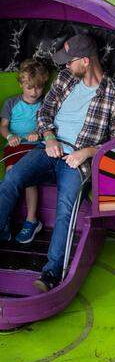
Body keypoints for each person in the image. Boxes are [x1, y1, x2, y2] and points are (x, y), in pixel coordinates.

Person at [0, 33, 115, 291]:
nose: (65, 66)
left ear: (85, 61)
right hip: (48, 149)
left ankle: (50, 273)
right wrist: (48, 138)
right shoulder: (65, 79)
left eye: (70, 61)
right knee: (11, 180)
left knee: (66, 208)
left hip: (77, 161)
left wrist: (88, 152)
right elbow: (45, 111)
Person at [0, 59, 51, 244]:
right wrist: (9, 136)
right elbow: (3, 126)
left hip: (34, 147)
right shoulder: (11, 103)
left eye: (38, 87)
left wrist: (37, 133)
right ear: (21, 83)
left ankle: (31, 221)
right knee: (10, 176)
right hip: (14, 146)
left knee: (29, 180)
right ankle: (4, 221)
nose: (34, 92)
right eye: (29, 87)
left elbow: (48, 126)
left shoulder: (45, 103)